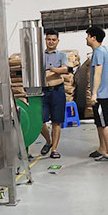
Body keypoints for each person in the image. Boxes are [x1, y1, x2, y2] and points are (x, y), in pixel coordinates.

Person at [38, 29, 69, 159]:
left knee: (56, 122)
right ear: (45, 40)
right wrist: (55, 71)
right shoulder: (39, 55)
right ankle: (49, 141)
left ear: (57, 41)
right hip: (43, 92)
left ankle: (54, 149)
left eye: (53, 40)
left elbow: (66, 69)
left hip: (57, 91)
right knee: (39, 120)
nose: (51, 42)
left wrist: (52, 70)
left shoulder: (62, 55)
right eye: (49, 39)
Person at [87, 26, 108, 161]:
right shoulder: (103, 51)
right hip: (103, 93)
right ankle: (102, 149)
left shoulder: (99, 52)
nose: (86, 39)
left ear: (93, 37)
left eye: (87, 36)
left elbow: (98, 73)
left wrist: (94, 93)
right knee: (99, 123)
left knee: (104, 123)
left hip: (101, 95)